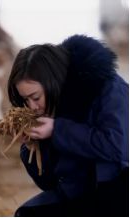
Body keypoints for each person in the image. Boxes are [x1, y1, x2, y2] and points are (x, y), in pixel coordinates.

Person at [7, 35, 129, 217]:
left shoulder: (108, 88)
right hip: (80, 194)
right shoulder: (53, 106)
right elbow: (49, 183)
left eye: (35, 97)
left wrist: (57, 129)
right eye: (26, 100)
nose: (32, 107)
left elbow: (117, 146)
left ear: (52, 83)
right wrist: (32, 147)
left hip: (118, 190)